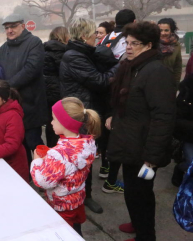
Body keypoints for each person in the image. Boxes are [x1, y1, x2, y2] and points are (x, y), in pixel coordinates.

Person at [106, 21, 176, 241]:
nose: (128, 47)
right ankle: (137, 223)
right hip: (128, 142)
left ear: (148, 46)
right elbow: (128, 102)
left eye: (134, 43)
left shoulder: (156, 71)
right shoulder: (131, 67)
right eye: (127, 42)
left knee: (142, 194)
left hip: (144, 147)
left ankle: (146, 235)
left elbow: (163, 116)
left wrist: (152, 157)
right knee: (132, 191)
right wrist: (113, 117)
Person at [60, 17, 118, 213]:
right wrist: (121, 65)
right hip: (78, 115)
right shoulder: (74, 56)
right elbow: (99, 81)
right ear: (84, 36)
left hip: (85, 111)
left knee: (86, 157)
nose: (97, 37)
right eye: (94, 34)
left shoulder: (82, 53)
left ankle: (84, 195)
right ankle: (82, 197)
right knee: (80, 159)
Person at [31, 97, 100, 237]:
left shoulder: (59, 154)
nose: (51, 122)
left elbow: (43, 181)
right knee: (76, 231)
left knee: (64, 235)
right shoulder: (88, 144)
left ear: (65, 123)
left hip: (61, 206)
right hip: (77, 201)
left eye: (54, 119)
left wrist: (37, 161)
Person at [0, 13, 47, 167]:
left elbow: (31, 69)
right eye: (7, 28)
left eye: (13, 26)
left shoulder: (34, 42)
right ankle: (27, 175)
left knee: (34, 142)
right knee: (18, 143)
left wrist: (7, 86)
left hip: (30, 103)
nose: (10, 30)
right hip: (12, 104)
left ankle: (47, 173)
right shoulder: (4, 48)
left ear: (22, 26)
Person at [43, 26, 69, 147]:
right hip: (59, 91)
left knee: (51, 122)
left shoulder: (44, 50)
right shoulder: (62, 51)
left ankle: (51, 147)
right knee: (62, 122)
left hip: (46, 91)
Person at [171, 74, 193, 186]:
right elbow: (177, 118)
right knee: (191, 163)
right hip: (190, 136)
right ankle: (180, 168)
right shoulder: (187, 87)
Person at [158, 18, 182, 85]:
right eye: (160, 30)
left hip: (168, 83)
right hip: (152, 83)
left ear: (171, 31)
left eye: (166, 30)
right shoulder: (151, 44)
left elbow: (178, 67)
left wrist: (175, 85)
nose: (163, 33)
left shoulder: (176, 46)